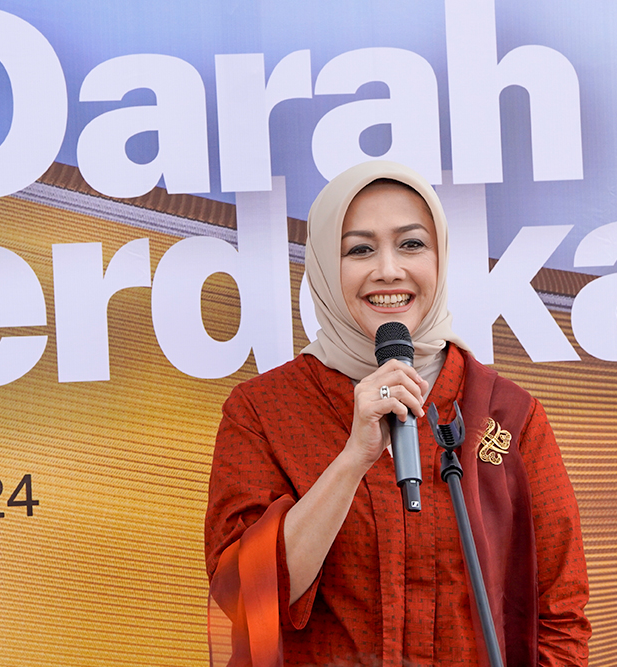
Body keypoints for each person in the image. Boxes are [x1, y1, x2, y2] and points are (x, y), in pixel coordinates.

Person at [205, 160, 590, 666]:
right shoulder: (263, 411)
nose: (388, 269)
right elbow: (242, 599)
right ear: (323, 267)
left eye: (411, 244)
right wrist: (352, 461)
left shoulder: (508, 414)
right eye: (359, 249)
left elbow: (559, 613)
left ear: (440, 257)